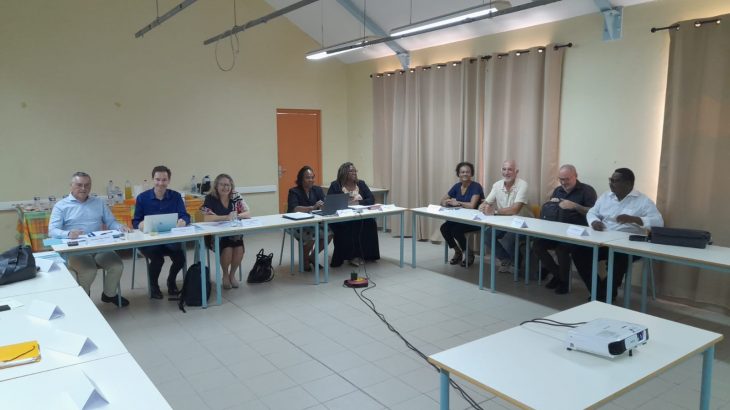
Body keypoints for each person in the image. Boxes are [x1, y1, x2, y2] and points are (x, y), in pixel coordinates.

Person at [571, 168, 664, 302]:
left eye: (615, 181)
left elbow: (659, 223)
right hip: (603, 240)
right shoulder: (606, 197)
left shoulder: (643, 201)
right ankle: (600, 292)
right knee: (579, 252)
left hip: (629, 245)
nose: (611, 183)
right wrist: (594, 221)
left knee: (618, 259)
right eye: (611, 180)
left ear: (628, 184)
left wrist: (635, 219)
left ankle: (604, 295)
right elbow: (592, 212)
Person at [49, 172, 130, 307]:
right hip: (76, 250)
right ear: (71, 186)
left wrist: (120, 227)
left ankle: (109, 295)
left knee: (117, 266)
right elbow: (52, 231)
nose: (83, 188)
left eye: (87, 185)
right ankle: (84, 301)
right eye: (79, 185)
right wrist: (68, 233)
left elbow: (111, 222)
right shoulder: (61, 206)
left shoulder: (98, 203)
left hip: (99, 246)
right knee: (88, 270)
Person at [532, 164, 597, 294]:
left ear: (576, 176)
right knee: (538, 245)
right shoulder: (558, 190)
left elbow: (594, 212)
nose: (563, 182)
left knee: (562, 249)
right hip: (557, 231)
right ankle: (558, 275)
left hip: (578, 233)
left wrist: (575, 206)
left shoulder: (587, 190)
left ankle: (564, 282)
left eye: (567, 179)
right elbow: (552, 211)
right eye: (561, 179)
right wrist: (552, 205)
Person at [132, 165, 190, 299]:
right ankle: (154, 286)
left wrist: (183, 221)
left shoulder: (176, 196)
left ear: (169, 180)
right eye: (157, 179)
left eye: (164, 180)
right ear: (153, 179)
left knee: (180, 258)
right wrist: (140, 224)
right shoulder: (142, 198)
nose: (160, 183)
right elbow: (135, 221)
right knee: (157, 259)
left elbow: (185, 215)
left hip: (170, 239)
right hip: (150, 241)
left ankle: (171, 281)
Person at [479, 160, 532, 272]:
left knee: (509, 239)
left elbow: (515, 209)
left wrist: (494, 211)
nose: (506, 172)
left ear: (516, 172)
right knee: (487, 235)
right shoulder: (497, 185)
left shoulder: (523, 185)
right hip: (503, 222)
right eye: (504, 169)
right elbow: (486, 202)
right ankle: (506, 260)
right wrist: (483, 207)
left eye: (510, 169)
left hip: (522, 223)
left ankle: (516, 264)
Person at [201, 173, 250, 289]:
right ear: (216, 186)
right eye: (222, 184)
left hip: (233, 232)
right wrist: (226, 217)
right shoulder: (210, 198)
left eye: (228, 185)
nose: (225, 187)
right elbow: (206, 218)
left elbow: (248, 213)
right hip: (214, 235)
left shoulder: (235, 195)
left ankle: (232, 274)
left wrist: (236, 216)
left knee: (239, 248)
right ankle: (225, 275)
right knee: (227, 248)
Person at [327, 162, 379, 267]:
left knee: (370, 223)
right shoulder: (335, 185)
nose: (354, 173)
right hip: (341, 218)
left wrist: (358, 203)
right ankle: (351, 256)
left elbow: (371, 199)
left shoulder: (361, 184)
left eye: (355, 170)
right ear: (344, 172)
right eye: (351, 171)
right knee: (349, 226)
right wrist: (348, 203)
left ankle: (367, 255)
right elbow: (331, 203)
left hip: (359, 215)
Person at [287, 166, 333, 271]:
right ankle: (304, 260)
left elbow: (324, 203)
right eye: (307, 177)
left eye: (312, 177)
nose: (311, 180)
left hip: (314, 221)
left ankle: (312, 256)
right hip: (296, 223)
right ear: (301, 179)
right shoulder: (294, 191)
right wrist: (312, 207)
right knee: (312, 235)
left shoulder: (317, 189)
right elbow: (294, 208)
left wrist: (326, 205)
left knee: (329, 233)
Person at [439, 162, 484, 267]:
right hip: (461, 219)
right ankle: (457, 251)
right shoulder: (457, 186)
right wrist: (446, 202)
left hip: (475, 220)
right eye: (462, 172)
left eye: (467, 172)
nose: (465, 174)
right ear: (458, 174)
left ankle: (468, 253)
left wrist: (457, 202)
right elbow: (442, 200)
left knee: (456, 230)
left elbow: (472, 205)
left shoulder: (476, 186)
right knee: (444, 228)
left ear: (471, 174)